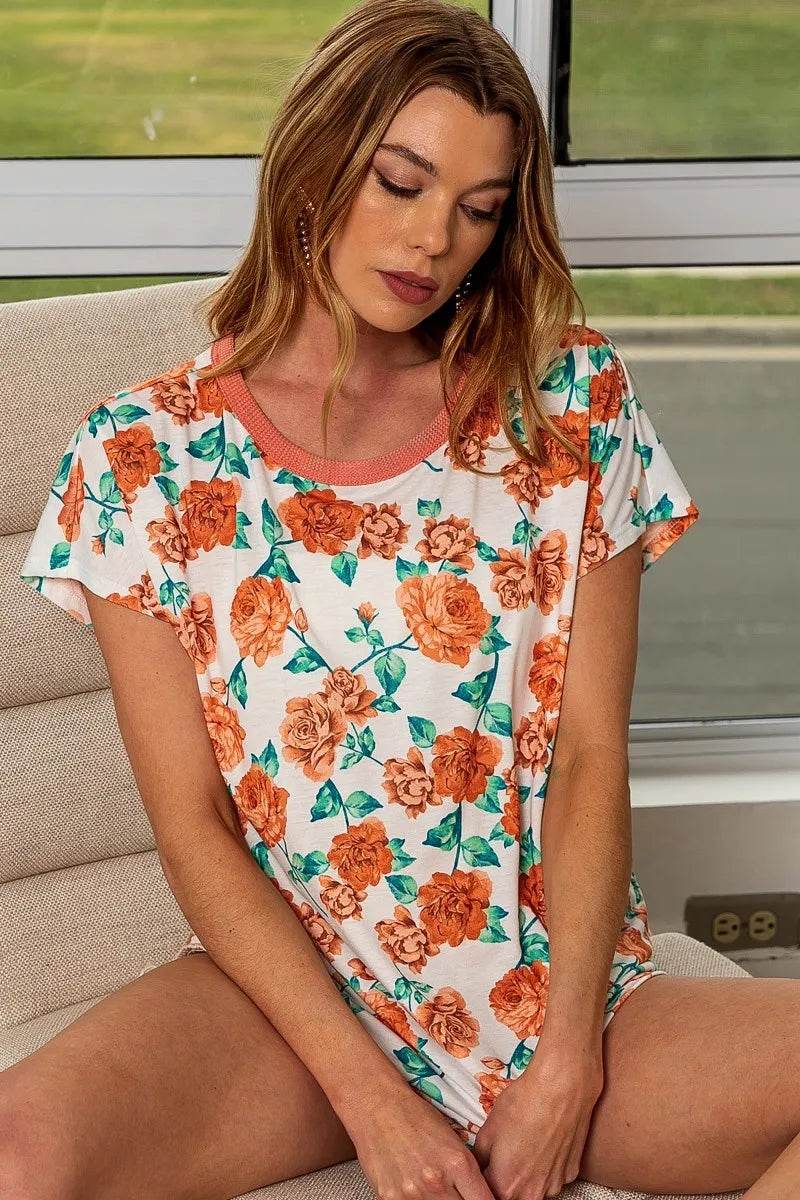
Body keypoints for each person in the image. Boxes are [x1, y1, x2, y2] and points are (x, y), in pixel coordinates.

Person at [12, 3, 799, 1200]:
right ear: (318, 161)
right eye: (400, 181)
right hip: (283, 1017)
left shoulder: (570, 405)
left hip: (541, 989)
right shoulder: (142, 457)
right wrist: (372, 1102)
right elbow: (194, 827)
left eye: (477, 209)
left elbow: (589, 758)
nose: (433, 239)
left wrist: (566, 1065)